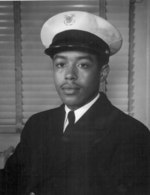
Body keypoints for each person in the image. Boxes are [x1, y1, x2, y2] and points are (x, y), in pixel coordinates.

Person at [0, 11, 150, 195]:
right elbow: (11, 181)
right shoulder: (36, 124)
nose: (69, 75)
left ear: (102, 73)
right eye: (60, 64)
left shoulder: (132, 135)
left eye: (83, 65)